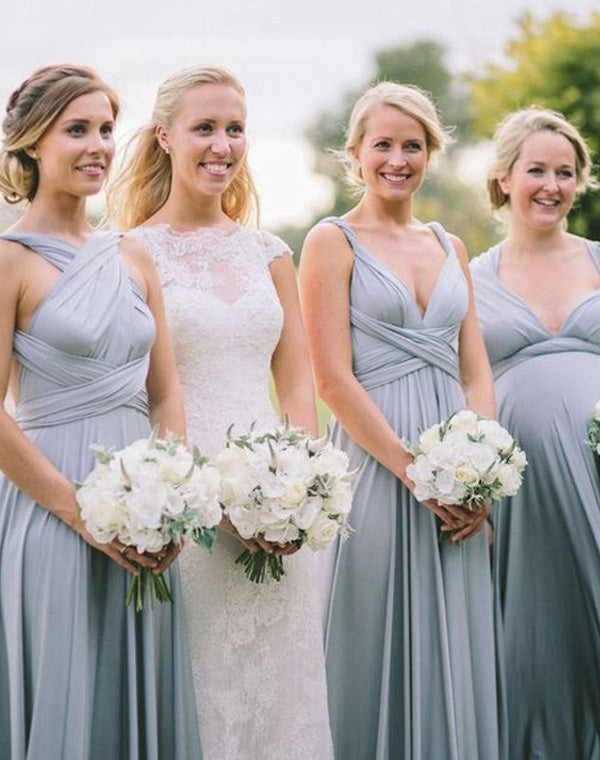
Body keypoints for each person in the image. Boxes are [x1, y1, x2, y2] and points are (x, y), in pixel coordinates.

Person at [110, 65, 333, 760]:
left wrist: (300, 490)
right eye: (204, 128)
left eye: (235, 129)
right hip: (185, 503)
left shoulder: (271, 255)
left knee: (284, 691)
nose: (222, 144)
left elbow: (298, 386)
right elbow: (142, 391)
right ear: (164, 139)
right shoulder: (130, 255)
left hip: (276, 499)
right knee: (204, 691)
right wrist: (195, 496)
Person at [0, 64, 202, 760]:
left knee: (134, 687)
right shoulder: (8, 262)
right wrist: (75, 510)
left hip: (143, 515)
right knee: (66, 686)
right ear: (31, 144)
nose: (96, 146)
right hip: (50, 506)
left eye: (106, 130)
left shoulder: (135, 256)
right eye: (75, 129)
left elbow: (166, 392)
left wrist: (170, 490)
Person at [299, 81, 502, 759]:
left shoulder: (451, 245)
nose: (397, 158)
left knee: (456, 630)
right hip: (377, 464)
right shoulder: (331, 242)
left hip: (457, 472)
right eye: (382, 144)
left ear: (430, 154)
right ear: (354, 153)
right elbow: (331, 377)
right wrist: (414, 471)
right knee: (370, 630)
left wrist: (480, 470)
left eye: (411, 145)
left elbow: (475, 371)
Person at [471, 107, 600, 758]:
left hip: (597, 482)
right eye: (537, 171)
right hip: (518, 497)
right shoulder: (469, 279)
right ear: (504, 179)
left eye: (566, 173)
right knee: (531, 642)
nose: (552, 185)